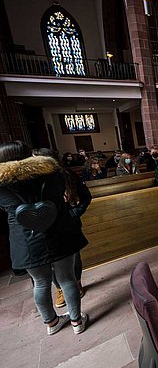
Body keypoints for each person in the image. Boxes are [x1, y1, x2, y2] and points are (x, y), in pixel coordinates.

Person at [0, 141, 89, 335]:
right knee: (67, 278)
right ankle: (77, 322)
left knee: (40, 283)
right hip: (58, 232)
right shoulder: (51, 173)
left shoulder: (2, 186)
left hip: (26, 240)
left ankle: (52, 323)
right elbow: (60, 197)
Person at [33, 148, 92, 308]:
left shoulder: (67, 176)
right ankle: (60, 289)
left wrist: (74, 213)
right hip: (47, 227)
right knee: (51, 260)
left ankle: (77, 282)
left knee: (74, 256)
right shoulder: (34, 180)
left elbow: (86, 196)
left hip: (68, 223)